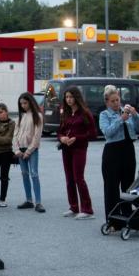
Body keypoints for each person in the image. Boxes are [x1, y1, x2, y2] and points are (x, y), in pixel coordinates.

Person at [99, 85, 139, 227]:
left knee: (128, 185)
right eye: (112, 101)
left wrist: (135, 115)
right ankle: (112, 220)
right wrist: (120, 119)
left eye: (117, 100)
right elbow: (107, 132)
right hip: (112, 152)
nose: (116, 103)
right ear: (107, 102)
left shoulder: (126, 112)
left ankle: (127, 216)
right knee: (111, 187)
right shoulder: (104, 115)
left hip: (128, 150)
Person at [57, 86, 96, 219]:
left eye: (71, 97)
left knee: (78, 178)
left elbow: (93, 134)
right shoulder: (65, 113)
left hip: (79, 148)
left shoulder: (85, 113)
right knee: (69, 179)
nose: (68, 100)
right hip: (66, 149)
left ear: (77, 97)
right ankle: (73, 207)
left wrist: (76, 138)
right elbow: (59, 131)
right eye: (67, 97)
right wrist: (62, 138)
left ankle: (87, 209)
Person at [13, 92, 44, 213]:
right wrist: (16, 150)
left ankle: (38, 202)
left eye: (25, 103)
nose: (23, 105)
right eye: (21, 104)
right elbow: (15, 135)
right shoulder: (20, 117)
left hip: (32, 150)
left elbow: (37, 136)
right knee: (24, 173)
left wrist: (29, 151)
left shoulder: (38, 116)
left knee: (34, 173)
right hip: (20, 150)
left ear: (30, 102)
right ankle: (29, 200)